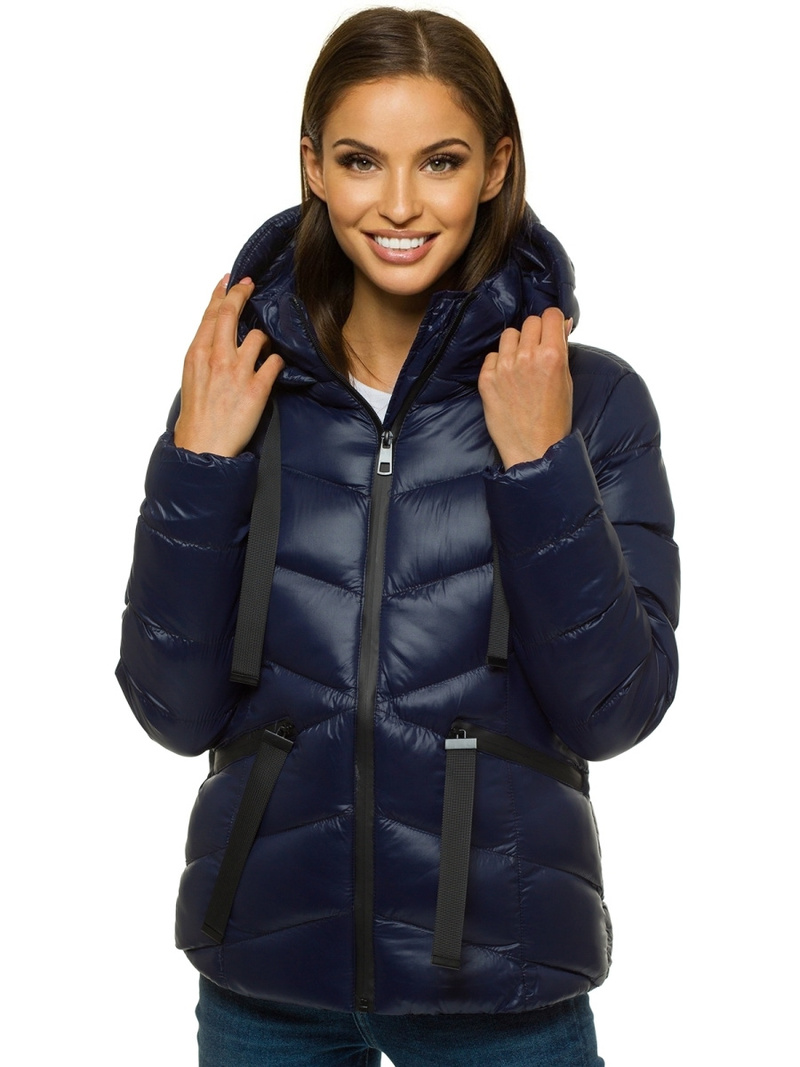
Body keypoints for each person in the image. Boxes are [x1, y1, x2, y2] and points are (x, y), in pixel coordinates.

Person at [116, 7, 679, 1065]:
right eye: (361, 160)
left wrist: (539, 466)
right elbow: (170, 710)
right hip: (265, 976)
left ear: (495, 167)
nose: (401, 204)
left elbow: (615, 710)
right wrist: (201, 463)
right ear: (313, 167)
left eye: (441, 161)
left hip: (504, 979)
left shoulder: (590, 401)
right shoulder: (236, 394)